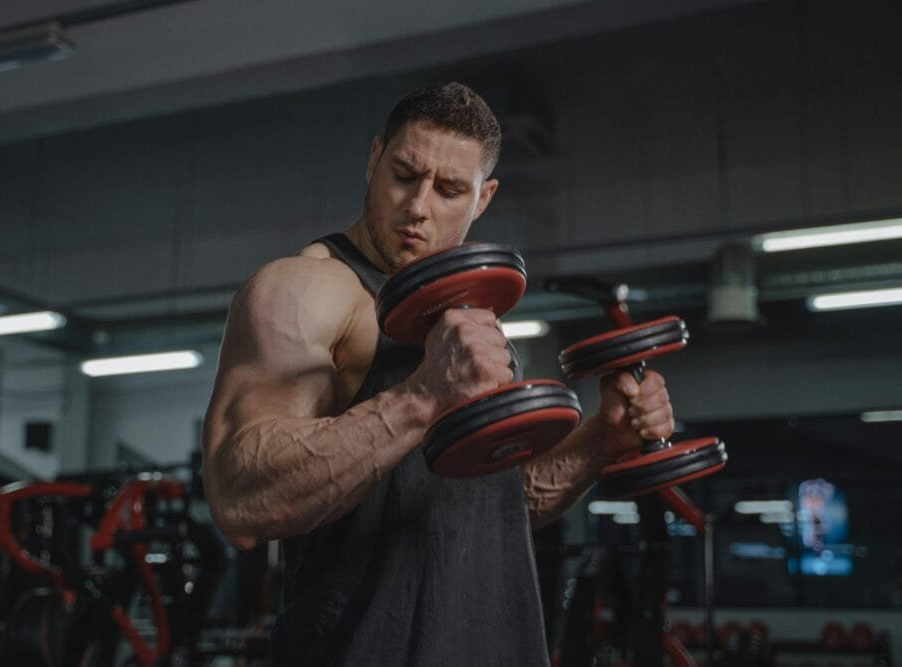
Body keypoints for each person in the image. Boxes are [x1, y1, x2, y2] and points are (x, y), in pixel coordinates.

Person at [202, 82, 675, 665]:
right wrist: (422, 395)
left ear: (483, 199)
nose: (418, 207)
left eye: (450, 189)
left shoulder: (471, 317)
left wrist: (603, 439)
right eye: (404, 174)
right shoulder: (308, 289)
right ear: (375, 158)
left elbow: (495, 504)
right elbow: (240, 501)